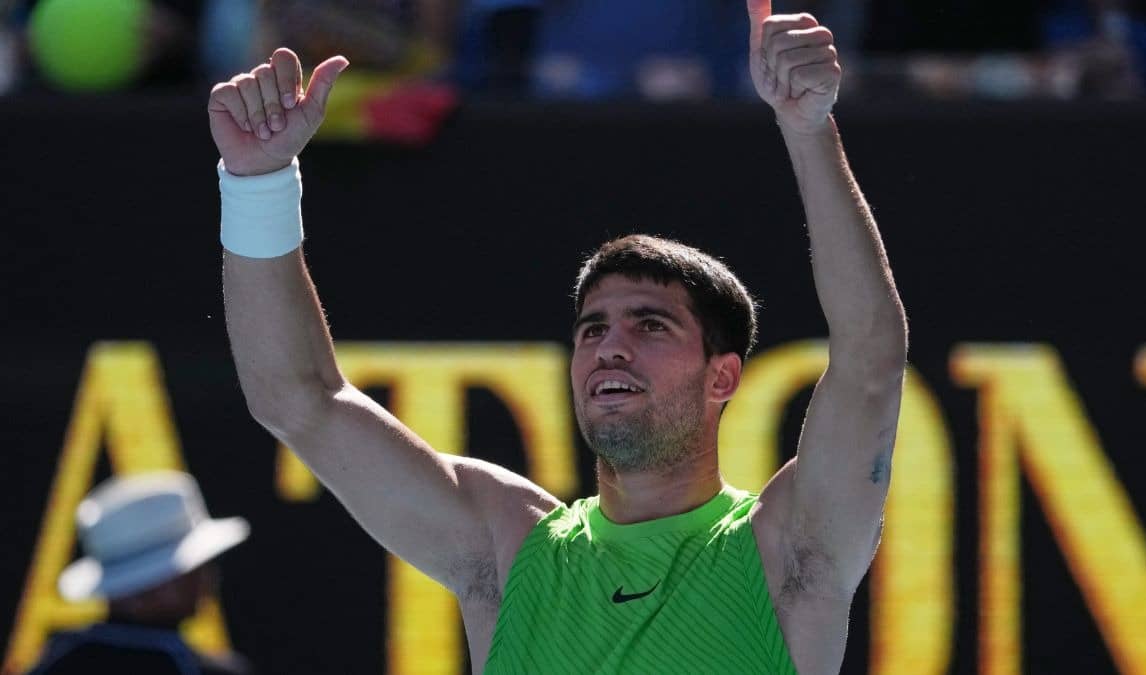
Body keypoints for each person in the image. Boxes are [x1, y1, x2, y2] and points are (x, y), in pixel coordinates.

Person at [209, 0, 906, 671]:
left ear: (721, 375)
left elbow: (870, 358)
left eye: (650, 323)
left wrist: (808, 127)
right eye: (592, 327)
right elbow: (297, 399)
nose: (610, 346)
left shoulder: (788, 552)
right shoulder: (509, 548)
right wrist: (258, 183)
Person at [24, 471, 253, 675]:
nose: (205, 577)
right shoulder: (195, 668)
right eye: (190, 569)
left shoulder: (56, 660)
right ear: (146, 585)